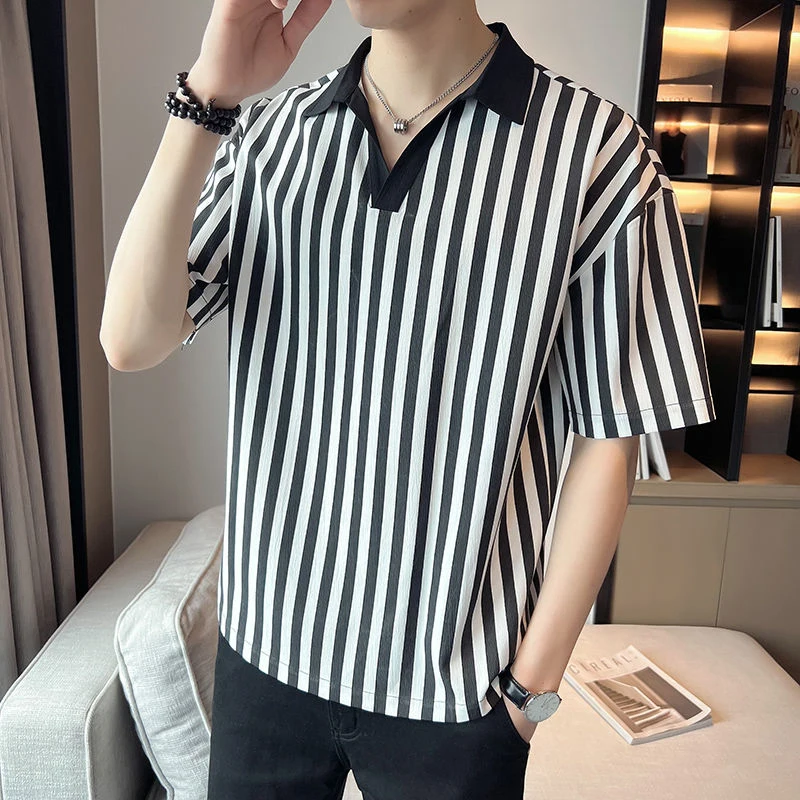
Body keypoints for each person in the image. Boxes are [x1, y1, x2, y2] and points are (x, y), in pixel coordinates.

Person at [100, 0, 716, 798]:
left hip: (457, 692)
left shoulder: (597, 153)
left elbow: (611, 435)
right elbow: (130, 340)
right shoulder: (269, 136)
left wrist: (529, 695)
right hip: (266, 660)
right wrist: (208, 98)